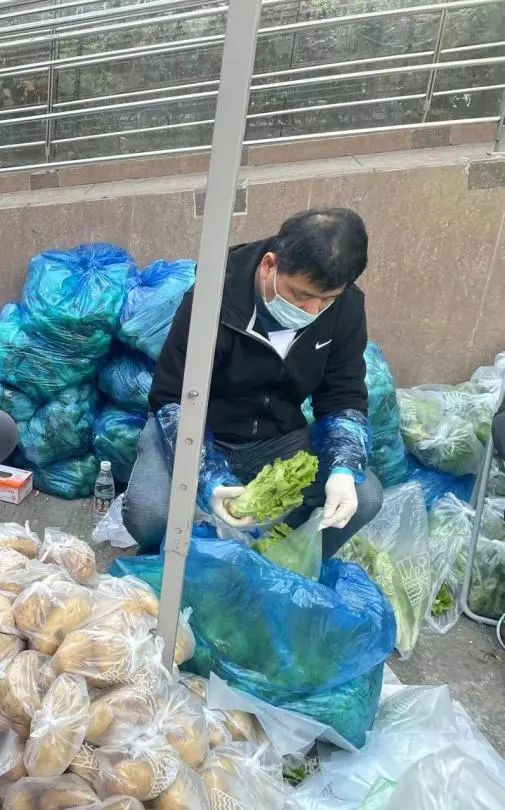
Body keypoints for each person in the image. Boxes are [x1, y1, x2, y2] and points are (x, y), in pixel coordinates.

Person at [123, 207, 383, 559]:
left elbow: (343, 396)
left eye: (327, 299)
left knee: (364, 497)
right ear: (269, 266)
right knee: (149, 512)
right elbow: (172, 397)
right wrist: (207, 476)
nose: (312, 309)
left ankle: (280, 564)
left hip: (277, 436)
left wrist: (342, 468)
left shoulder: (346, 308)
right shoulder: (214, 297)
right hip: (198, 425)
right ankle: (165, 562)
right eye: (301, 294)